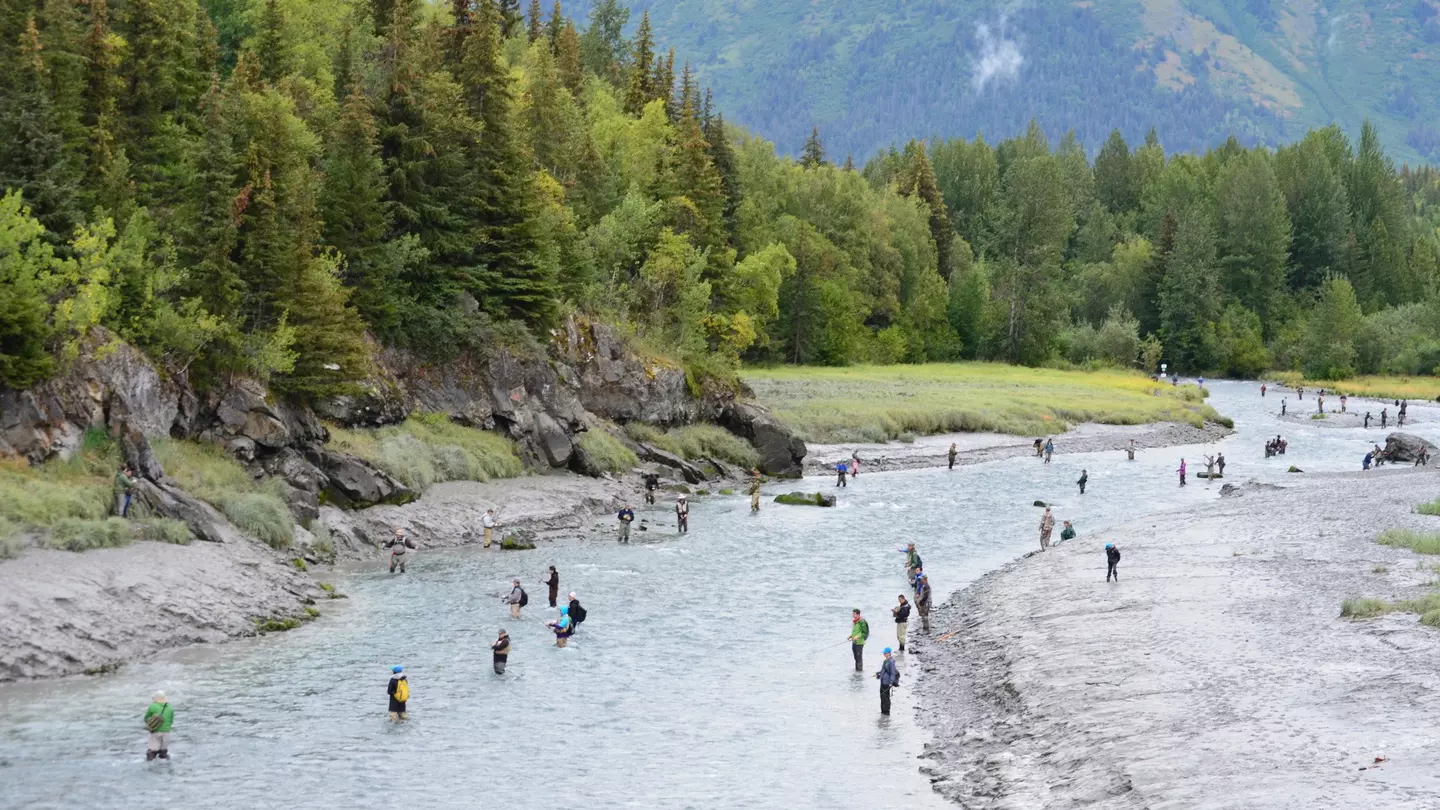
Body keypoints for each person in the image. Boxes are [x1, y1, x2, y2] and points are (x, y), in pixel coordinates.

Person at [143, 691, 174, 761]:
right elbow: (171, 721)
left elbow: (146, 718)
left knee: (152, 752)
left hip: (155, 731)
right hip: (167, 732)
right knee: (163, 752)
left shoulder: (152, 706)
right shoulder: (170, 708)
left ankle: (150, 763)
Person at [876, 648, 900, 716]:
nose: (884, 654)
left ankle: (886, 712)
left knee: (886, 697)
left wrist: (891, 682)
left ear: (889, 653)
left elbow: (892, 673)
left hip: (887, 682)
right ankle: (883, 712)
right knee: (882, 697)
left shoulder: (891, 662)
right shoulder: (885, 661)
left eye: (885, 653)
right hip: (883, 681)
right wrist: (878, 674)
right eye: (884, 653)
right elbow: (883, 670)